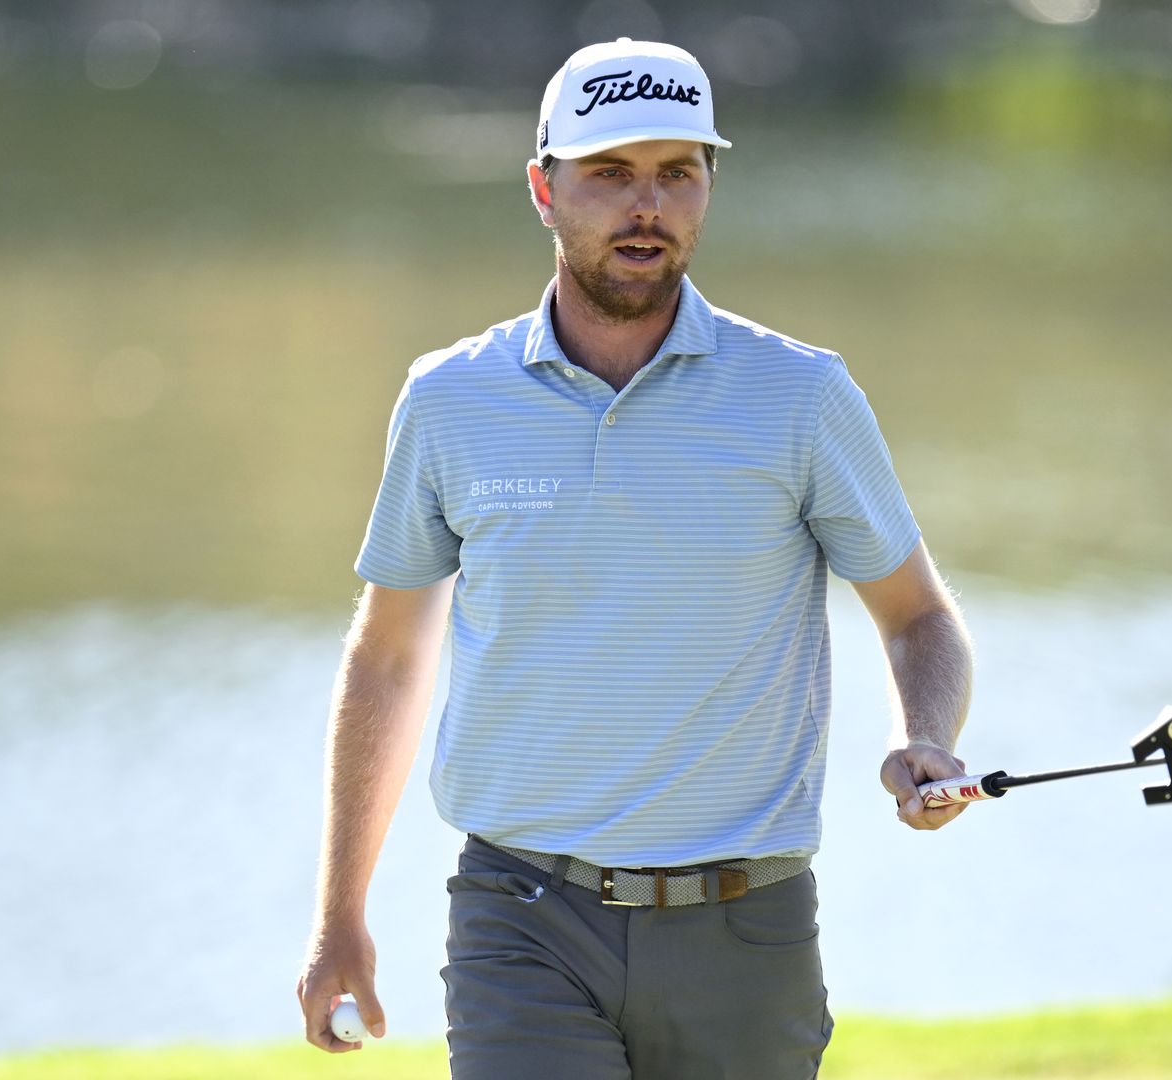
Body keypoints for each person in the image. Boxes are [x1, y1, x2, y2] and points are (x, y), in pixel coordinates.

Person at [294, 37, 977, 1079]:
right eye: (610, 174)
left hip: (747, 932)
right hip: (521, 922)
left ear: (709, 187)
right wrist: (340, 914)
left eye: (677, 173)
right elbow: (386, 657)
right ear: (543, 188)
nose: (645, 204)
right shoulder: (448, 401)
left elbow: (917, 614)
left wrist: (924, 734)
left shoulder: (800, 398)